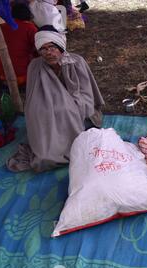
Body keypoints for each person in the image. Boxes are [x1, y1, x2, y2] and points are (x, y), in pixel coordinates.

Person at [7, 27, 104, 172]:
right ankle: (48, 146)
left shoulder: (76, 62)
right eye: (43, 49)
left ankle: (68, 143)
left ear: (60, 47)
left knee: (65, 110)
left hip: (75, 105)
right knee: (38, 112)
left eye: (52, 47)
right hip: (48, 105)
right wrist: (46, 107)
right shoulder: (35, 66)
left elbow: (87, 93)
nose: (48, 53)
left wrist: (69, 104)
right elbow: (33, 96)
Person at [0, 2, 38, 87]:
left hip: (4, 78)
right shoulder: (30, 28)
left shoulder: (1, 27)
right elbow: (38, 49)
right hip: (25, 78)